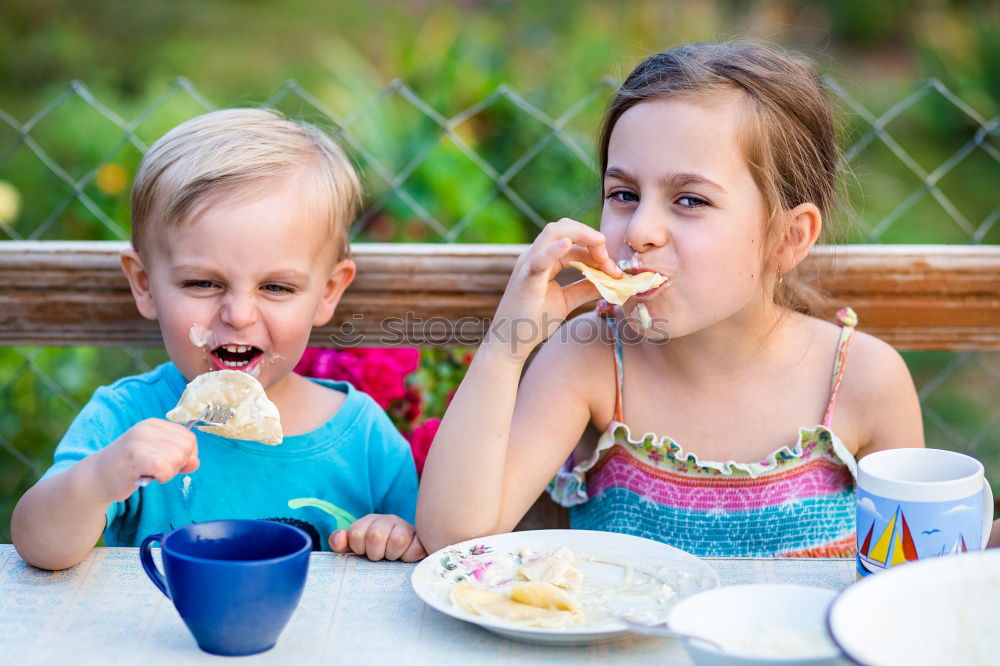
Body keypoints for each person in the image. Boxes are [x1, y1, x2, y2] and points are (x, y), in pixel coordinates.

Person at [417, 41, 930, 557]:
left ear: (789, 238)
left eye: (690, 200)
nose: (640, 230)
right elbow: (454, 540)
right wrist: (508, 344)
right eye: (624, 194)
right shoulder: (591, 357)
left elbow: (910, 572)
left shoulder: (864, 379)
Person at [12, 109, 424, 570]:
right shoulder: (124, 420)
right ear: (145, 284)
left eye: (277, 287)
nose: (239, 315)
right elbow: (38, 545)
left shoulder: (365, 440)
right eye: (202, 283)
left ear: (327, 293)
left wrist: (395, 535)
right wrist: (100, 478)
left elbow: (421, 552)